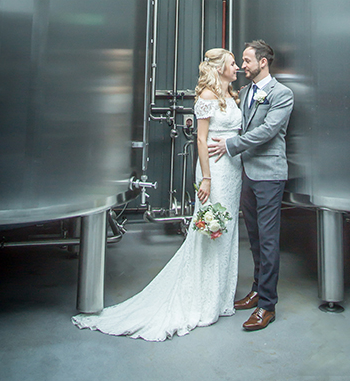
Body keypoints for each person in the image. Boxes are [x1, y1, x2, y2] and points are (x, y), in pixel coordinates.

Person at [71, 48, 242, 341]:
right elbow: (200, 139)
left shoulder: (232, 96)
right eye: (232, 63)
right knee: (212, 231)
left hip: (233, 172)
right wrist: (206, 179)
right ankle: (204, 300)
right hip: (215, 171)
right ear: (220, 68)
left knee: (227, 231)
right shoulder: (207, 98)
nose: (237, 67)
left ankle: (222, 298)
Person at [208, 40, 294, 331]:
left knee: (269, 240)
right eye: (241, 62)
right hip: (247, 173)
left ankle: (267, 305)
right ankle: (257, 289)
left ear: (263, 62)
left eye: (246, 61)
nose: (243, 66)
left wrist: (231, 145)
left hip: (270, 175)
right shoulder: (245, 93)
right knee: (255, 237)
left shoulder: (282, 94)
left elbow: (268, 131)